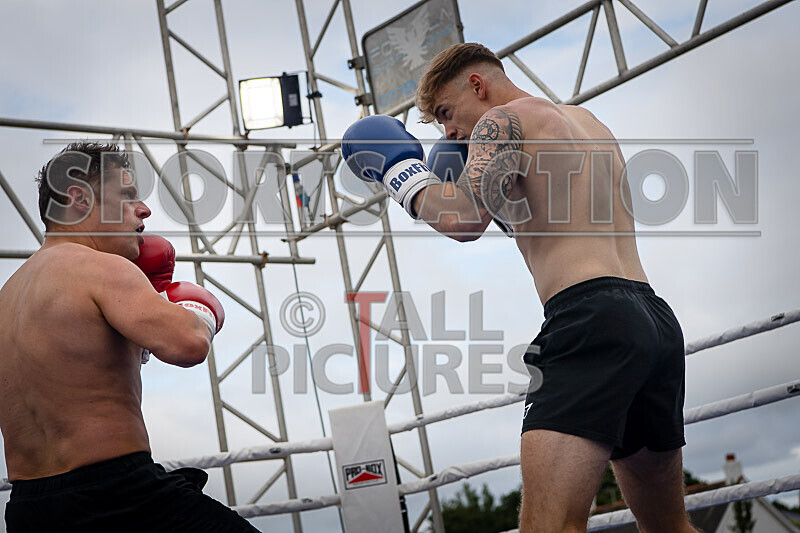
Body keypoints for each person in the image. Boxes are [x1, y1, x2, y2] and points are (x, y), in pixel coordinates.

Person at [342, 43, 696, 532]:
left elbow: (462, 220)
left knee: (549, 526)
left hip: (588, 319)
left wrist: (398, 171)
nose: (448, 133)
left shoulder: (500, 122)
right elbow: (559, 219)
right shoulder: (590, 125)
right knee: (668, 529)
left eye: (446, 113)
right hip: (652, 319)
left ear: (477, 85)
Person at [0, 143, 258, 532]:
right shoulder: (99, 268)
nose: (144, 210)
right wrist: (197, 311)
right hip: (120, 497)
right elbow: (187, 344)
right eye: (126, 195)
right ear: (78, 198)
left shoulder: (7, 297)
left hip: (29, 509)